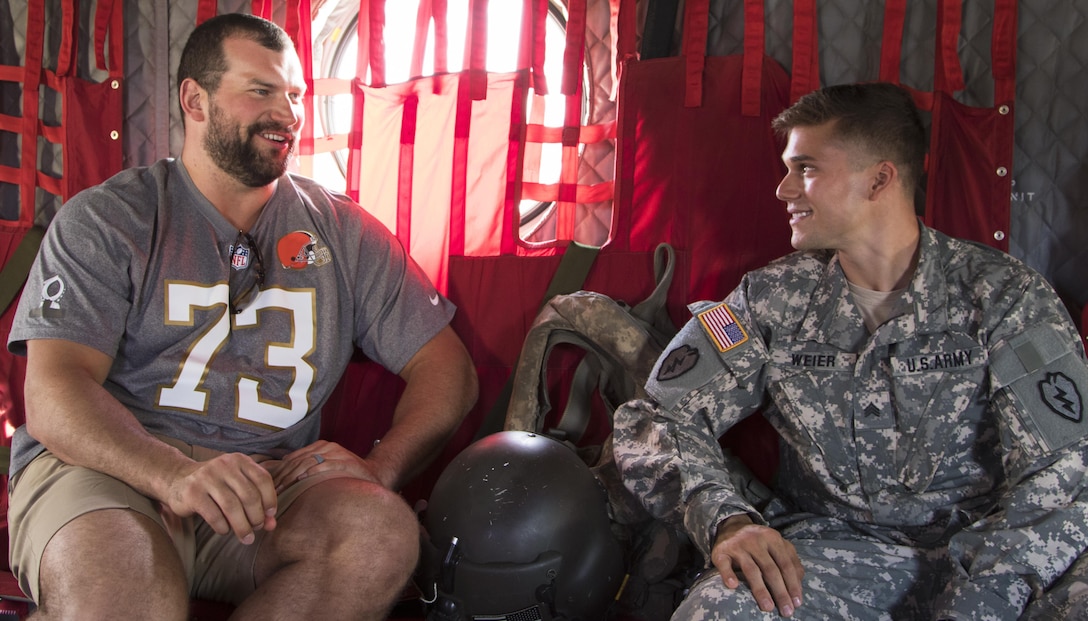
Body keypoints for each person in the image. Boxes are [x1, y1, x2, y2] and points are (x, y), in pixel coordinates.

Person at [6, 13, 478, 621]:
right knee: (123, 588)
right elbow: (53, 391)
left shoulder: (342, 231)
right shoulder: (107, 220)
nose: (287, 112)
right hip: (115, 471)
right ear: (194, 100)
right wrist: (172, 475)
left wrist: (382, 465)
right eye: (261, 90)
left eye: (295, 94)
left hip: (266, 488)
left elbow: (447, 368)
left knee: (380, 532)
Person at [614, 82, 1088, 620]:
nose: (783, 189)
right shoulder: (770, 301)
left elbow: (1066, 471)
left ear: (879, 179)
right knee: (719, 611)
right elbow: (659, 415)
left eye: (807, 168)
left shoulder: (1004, 296)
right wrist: (726, 520)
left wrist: (981, 600)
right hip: (830, 558)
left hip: (995, 561)